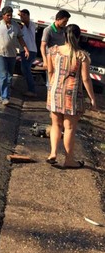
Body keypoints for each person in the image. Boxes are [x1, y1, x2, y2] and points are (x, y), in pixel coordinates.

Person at [46, 24, 97, 168]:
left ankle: (53, 153)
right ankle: (69, 160)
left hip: (55, 91)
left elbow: (50, 72)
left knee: (55, 124)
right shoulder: (82, 55)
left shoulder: (53, 51)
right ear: (79, 37)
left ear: (64, 36)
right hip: (72, 95)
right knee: (69, 128)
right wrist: (92, 98)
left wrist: (51, 89)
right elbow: (86, 79)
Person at [0, 6, 30, 105]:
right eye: (8, 15)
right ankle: (4, 97)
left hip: (12, 55)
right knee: (3, 77)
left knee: (9, 76)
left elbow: (20, 39)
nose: (10, 17)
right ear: (3, 16)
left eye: (11, 15)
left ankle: (7, 94)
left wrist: (26, 49)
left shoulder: (16, 26)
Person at [18, 9, 38, 97]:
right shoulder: (24, 27)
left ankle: (32, 90)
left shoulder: (31, 24)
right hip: (26, 50)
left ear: (27, 16)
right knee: (25, 69)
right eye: (21, 16)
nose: (21, 17)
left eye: (23, 15)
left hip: (30, 50)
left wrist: (20, 14)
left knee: (26, 69)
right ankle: (31, 88)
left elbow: (26, 21)